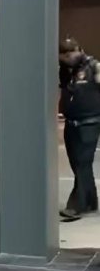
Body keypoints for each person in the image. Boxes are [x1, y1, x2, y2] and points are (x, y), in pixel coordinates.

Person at [58, 37, 100, 222]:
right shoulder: (66, 70)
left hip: (90, 123)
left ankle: (77, 206)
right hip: (71, 123)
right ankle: (91, 201)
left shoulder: (94, 67)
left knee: (83, 163)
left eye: (71, 53)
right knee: (78, 164)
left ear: (79, 50)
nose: (68, 57)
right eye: (64, 54)